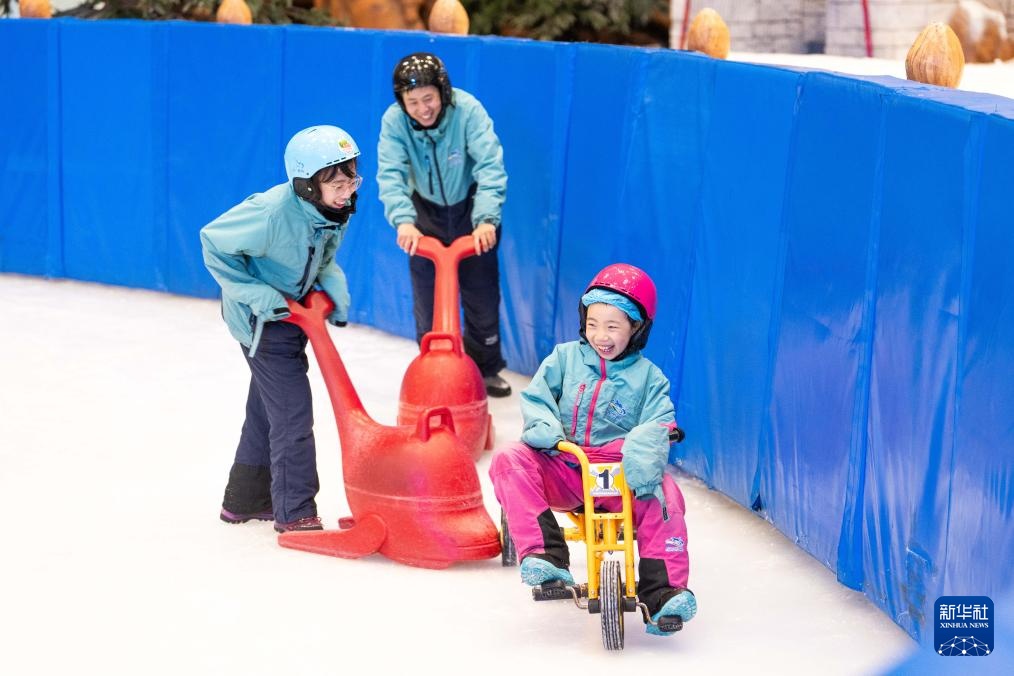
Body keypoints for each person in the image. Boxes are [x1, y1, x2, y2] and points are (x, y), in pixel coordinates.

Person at [489, 264, 698, 635]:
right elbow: (537, 399)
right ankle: (546, 556)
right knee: (510, 460)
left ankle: (663, 591)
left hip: (621, 475)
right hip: (567, 464)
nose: (601, 335)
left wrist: (642, 452)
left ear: (637, 329)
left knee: (664, 495)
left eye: (613, 326)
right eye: (593, 324)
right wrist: (550, 436)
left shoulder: (650, 378)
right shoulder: (564, 359)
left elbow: (658, 421)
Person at [200, 125, 363, 533]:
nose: (347, 191)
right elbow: (213, 242)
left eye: (352, 179)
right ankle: (295, 512)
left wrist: (335, 294)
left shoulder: (332, 211)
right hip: (262, 321)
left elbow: (322, 259)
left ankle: (245, 500)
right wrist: (260, 297)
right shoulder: (271, 213)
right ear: (307, 185)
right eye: (337, 183)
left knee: (267, 410)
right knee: (292, 416)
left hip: (292, 316)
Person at [377, 52, 512, 397]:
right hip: (425, 215)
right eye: (413, 102)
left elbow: (490, 166)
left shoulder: (467, 110)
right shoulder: (394, 122)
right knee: (427, 297)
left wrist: (485, 221)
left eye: (429, 98)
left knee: (481, 294)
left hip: (470, 210)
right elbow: (390, 173)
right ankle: (432, 369)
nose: (423, 109)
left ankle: (484, 369)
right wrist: (404, 222)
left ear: (443, 92)